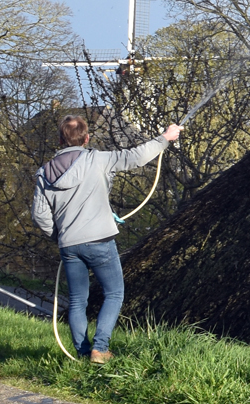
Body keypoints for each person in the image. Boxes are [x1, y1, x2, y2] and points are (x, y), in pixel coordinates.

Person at [31, 114, 180, 362]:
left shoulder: (44, 173)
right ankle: (100, 349)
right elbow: (136, 156)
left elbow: (39, 216)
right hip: (100, 241)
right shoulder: (98, 159)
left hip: (69, 245)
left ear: (60, 140)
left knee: (78, 300)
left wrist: (61, 236)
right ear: (87, 138)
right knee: (114, 294)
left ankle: (81, 353)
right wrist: (165, 138)